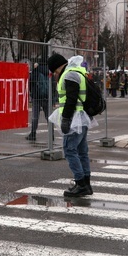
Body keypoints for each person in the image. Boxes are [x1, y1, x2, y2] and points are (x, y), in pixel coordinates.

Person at [47, 53, 96, 197]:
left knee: (69, 150)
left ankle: (81, 183)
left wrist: (66, 119)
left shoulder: (69, 75)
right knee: (81, 151)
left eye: (55, 72)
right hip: (82, 117)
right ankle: (86, 184)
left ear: (57, 68)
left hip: (75, 118)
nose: (55, 74)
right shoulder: (77, 72)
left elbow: (71, 99)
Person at [26, 61, 49, 142]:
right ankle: (51, 135)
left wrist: (32, 94)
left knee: (35, 116)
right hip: (47, 97)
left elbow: (30, 83)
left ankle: (33, 134)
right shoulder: (49, 72)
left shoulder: (35, 72)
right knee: (48, 117)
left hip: (36, 97)